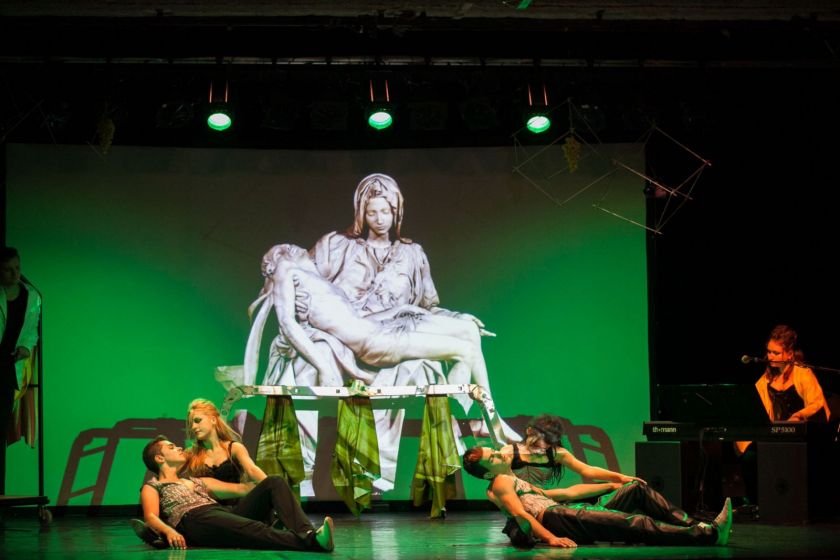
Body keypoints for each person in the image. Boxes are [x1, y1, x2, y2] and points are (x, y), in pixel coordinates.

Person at [245, 174, 519, 494]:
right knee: (441, 356)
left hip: (389, 327)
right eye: (371, 211)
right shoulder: (332, 247)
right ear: (361, 211)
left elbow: (425, 306)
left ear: (397, 212)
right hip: (359, 340)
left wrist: (451, 316)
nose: (379, 219)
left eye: (386, 211)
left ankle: (472, 417)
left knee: (468, 331)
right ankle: (480, 423)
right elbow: (278, 297)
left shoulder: (412, 253)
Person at [251, 243, 493, 393]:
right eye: (280, 251)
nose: (290, 247)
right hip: (376, 343)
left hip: (381, 328)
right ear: (275, 266)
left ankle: (476, 413)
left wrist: (407, 309)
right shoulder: (286, 269)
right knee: (466, 351)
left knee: (468, 331)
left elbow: (360, 316)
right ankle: (483, 419)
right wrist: (324, 367)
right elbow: (287, 323)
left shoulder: (317, 282)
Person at [462, 446, 733, 548]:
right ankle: (706, 535)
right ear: (487, 474)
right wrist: (550, 539)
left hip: (563, 511)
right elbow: (520, 514)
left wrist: (614, 483)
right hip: (557, 519)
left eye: (494, 451)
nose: (500, 454)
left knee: (634, 489)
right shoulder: (499, 482)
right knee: (634, 523)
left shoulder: (514, 479)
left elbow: (567, 493)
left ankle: (695, 524)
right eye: (493, 457)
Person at [138, 435, 334, 551]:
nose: (179, 447)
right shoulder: (154, 486)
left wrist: (273, 492)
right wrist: (168, 531)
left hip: (220, 514)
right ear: (159, 458)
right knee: (253, 529)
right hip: (195, 519)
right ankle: (313, 542)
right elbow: (151, 516)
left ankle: (307, 532)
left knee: (273, 481)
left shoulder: (197, 481)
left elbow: (244, 489)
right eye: (171, 447)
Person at [132, 398, 268, 546]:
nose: (193, 427)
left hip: (235, 505)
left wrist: (268, 490)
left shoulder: (233, 448)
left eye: (197, 421)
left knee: (265, 488)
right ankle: (161, 531)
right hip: (205, 510)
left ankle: (162, 533)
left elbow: (252, 470)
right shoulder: (191, 454)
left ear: (213, 420)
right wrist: (152, 490)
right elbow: (168, 475)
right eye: (191, 424)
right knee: (174, 500)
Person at [735, 324, 830, 506]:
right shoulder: (765, 380)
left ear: (789, 354)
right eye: (769, 352)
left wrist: (798, 417)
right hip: (774, 436)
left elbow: (817, 404)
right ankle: (757, 504)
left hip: (801, 438)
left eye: (776, 353)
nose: (770, 357)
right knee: (749, 457)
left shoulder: (803, 374)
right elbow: (756, 409)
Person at [0, 247, 42, 495]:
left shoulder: (31, 296)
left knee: (1, 425)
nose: (15, 273)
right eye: (8, 269)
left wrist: (26, 346)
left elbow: (30, 328)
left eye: (17, 267)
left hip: (7, 366)